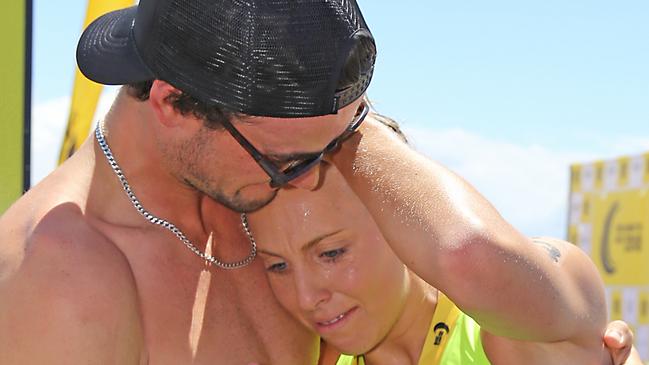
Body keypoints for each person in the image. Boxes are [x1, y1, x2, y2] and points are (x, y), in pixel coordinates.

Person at [0, 0, 640, 364]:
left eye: (344, 137)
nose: (317, 169)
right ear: (172, 105)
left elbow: (472, 263)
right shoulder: (62, 279)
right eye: (292, 160)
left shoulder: (252, 188)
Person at [245, 159, 644, 364]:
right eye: (278, 265)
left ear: (400, 225)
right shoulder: (302, 352)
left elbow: (490, 263)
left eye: (331, 253)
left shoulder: (504, 336)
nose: (305, 295)